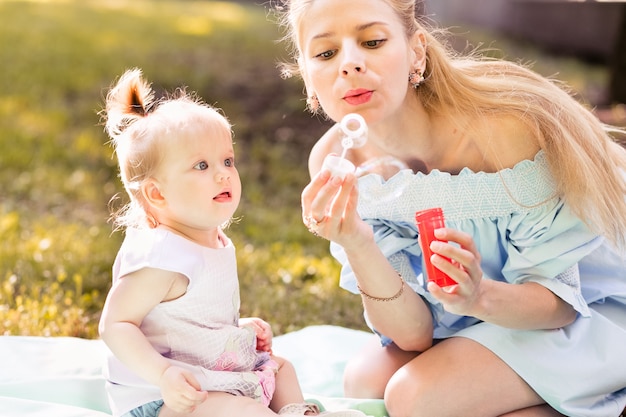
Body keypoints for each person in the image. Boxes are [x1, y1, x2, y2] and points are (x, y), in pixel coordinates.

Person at [274, 0, 626, 416]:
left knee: (415, 398)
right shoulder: (335, 161)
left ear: (416, 52)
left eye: (371, 41)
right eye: (325, 53)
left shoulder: (502, 134)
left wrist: (478, 297)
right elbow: (412, 336)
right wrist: (356, 242)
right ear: (309, 76)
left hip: (583, 313)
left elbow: (560, 304)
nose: (348, 63)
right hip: (471, 318)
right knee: (365, 381)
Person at [98, 68, 367, 417]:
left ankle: (295, 411)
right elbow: (115, 325)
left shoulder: (209, 239)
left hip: (208, 375)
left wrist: (236, 330)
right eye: (201, 165)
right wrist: (163, 375)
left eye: (227, 160)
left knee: (281, 367)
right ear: (156, 193)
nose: (223, 173)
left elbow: (185, 319)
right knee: (242, 410)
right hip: (165, 398)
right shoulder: (160, 256)